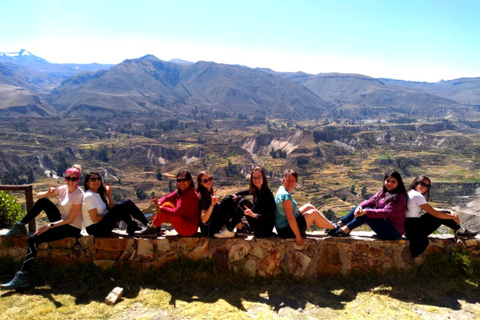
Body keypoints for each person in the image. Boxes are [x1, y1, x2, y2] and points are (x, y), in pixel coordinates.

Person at [1, 165, 84, 290]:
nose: (70, 181)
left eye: (74, 179)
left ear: (78, 180)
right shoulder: (62, 188)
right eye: (68, 178)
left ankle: (23, 277)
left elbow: (70, 219)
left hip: (71, 227)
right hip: (61, 221)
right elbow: (39, 196)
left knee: (34, 239)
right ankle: (20, 225)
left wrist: (49, 226)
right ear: (65, 178)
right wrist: (47, 193)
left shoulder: (79, 194)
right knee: (43, 201)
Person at [405, 175, 477, 258]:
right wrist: (452, 217)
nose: (425, 187)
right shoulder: (417, 196)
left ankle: (460, 230)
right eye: (422, 184)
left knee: (442, 213)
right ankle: (461, 231)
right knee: (439, 216)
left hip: (408, 229)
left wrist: (448, 212)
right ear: (416, 183)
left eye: (427, 186)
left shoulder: (409, 193)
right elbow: (435, 214)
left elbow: (429, 209)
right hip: (414, 231)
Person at [329, 170, 407, 240]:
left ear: (398, 183)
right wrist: (360, 207)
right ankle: (339, 224)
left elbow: (385, 212)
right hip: (385, 224)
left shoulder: (399, 197)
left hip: (394, 231)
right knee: (359, 207)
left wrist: (366, 211)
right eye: (388, 181)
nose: (390, 184)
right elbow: (371, 201)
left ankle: (345, 230)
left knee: (366, 214)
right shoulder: (383, 191)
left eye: (393, 182)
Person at [275, 169, 336, 246]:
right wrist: (298, 236)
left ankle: (329, 225)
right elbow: (290, 218)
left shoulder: (282, 189)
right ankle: (334, 228)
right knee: (313, 214)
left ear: (295, 182)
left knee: (308, 206)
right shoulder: (285, 196)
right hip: (286, 230)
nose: (290, 182)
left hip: (282, 226)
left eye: (292, 180)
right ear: (283, 180)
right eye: (288, 180)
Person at [213, 167, 276, 238]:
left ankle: (229, 229)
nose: (256, 180)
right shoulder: (257, 189)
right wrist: (236, 194)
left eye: (258, 177)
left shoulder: (267, 194)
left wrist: (254, 215)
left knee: (243, 202)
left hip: (264, 229)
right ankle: (239, 228)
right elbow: (246, 191)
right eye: (254, 178)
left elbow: (270, 217)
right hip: (257, 222)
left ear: (263, 178)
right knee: (237, 198)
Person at [82, 172, 150, 237]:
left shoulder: (98, 194)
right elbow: (94, 218)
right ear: (87, 183)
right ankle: (132, 226)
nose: (96, 181)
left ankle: (149, 226)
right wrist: (113, 216)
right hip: (95, 229)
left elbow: (110, 208)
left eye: (98, 178)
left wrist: (109, 194)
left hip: (101, 225)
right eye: (92, 179)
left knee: (127, 202)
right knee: (119, 206)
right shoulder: (89, 196)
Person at [136, 170, 199, 237]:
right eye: (179, 180)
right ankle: (155, 228)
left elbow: (177, 212)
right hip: (185, 223)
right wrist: (159, 203)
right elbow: (166, 198)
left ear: (189, 181)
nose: (181, 182)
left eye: (184, 180)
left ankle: (152, 229)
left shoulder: (189, 194)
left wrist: (162, 209)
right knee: (166, 205)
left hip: (189, 229)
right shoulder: (182, 192)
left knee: (166, 207)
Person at [196, 171, 235, 237]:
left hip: (210, 228)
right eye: (205, 181)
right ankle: (230, 228)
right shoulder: (205, 196)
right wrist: (212, 205)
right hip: (209, 229)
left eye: (210, 179)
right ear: (201, 183)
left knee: (228, 200)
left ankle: (229, 227)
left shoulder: (208, 193)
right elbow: (204, 219)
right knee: (228, 200)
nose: (209, 182)